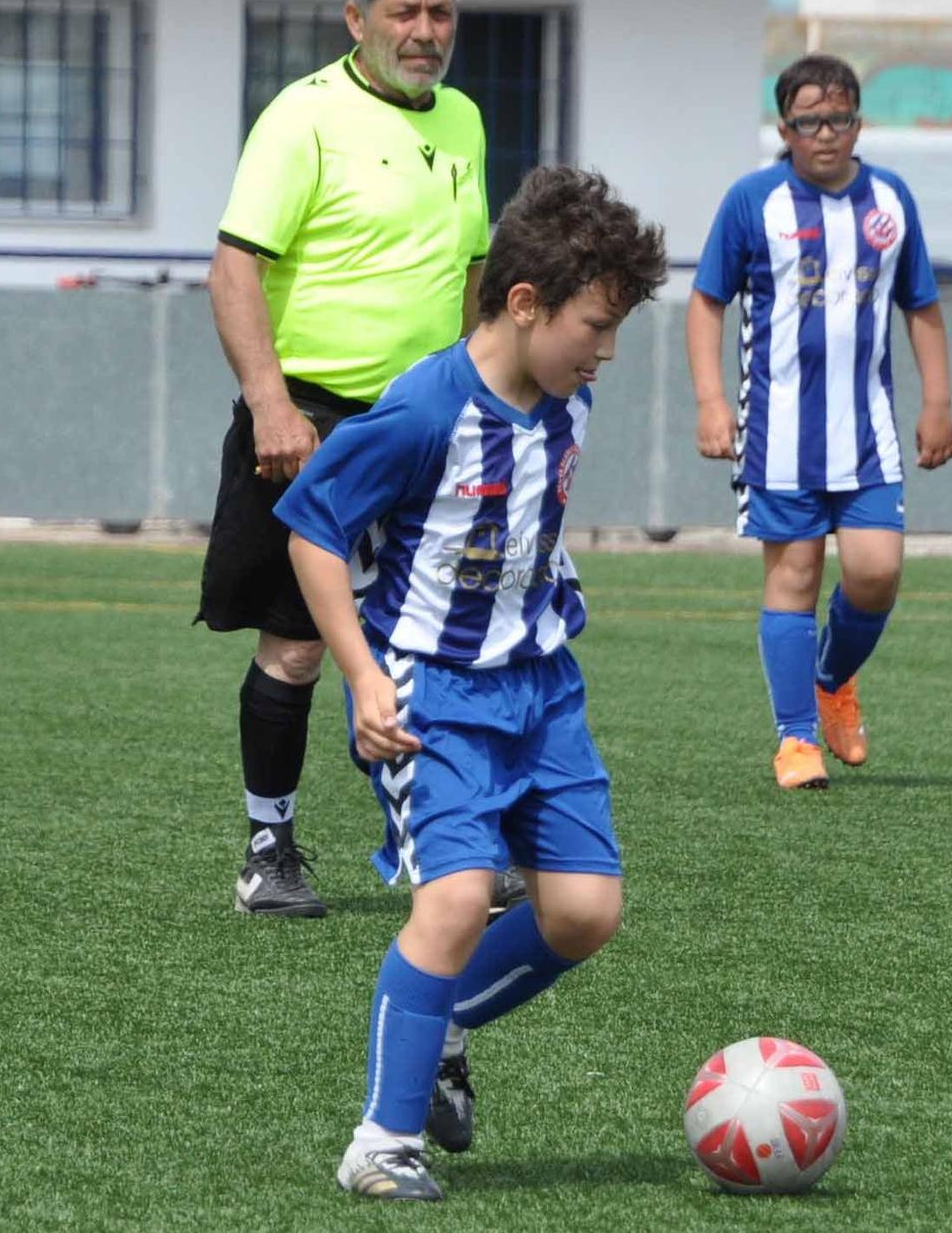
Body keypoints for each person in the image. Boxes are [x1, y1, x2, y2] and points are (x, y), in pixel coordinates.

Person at [274, 166, 667, 1201]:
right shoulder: (422, 409)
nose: (607, 350)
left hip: (543, 690)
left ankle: (442, 1019)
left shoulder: (565, 397)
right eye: (596, 324)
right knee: (450, 902)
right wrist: (359, 676)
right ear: (525, 304)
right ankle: (381, 1143)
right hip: (430, 696)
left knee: (584, 912)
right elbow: (311, 529)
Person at [198, 0, 498, 920]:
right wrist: (271, 402)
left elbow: (468, 278)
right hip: (311, 420)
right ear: (357, 18)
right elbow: (234, 267)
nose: (424, 33)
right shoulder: (303, 117)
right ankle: (267, 851)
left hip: (428, 421)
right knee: (296, 643)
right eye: (404, 12)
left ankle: (439, 846)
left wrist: (482, 402)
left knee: (438, 642)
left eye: (439, 13)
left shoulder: (462, 121)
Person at [685, 54, 952, 792]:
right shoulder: (754, 201)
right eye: (810, 121)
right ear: (786, 128)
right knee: (795, 574)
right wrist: (712, 401)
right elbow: (706, 300)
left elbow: (921, 304)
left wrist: (937, 401)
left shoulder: (891, 201)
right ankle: (796, 740)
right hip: (778, 433)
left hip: (868, 433)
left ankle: (832, 680)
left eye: (839, 119)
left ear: (858, 123)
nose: (826, 133)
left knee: (876, 573)